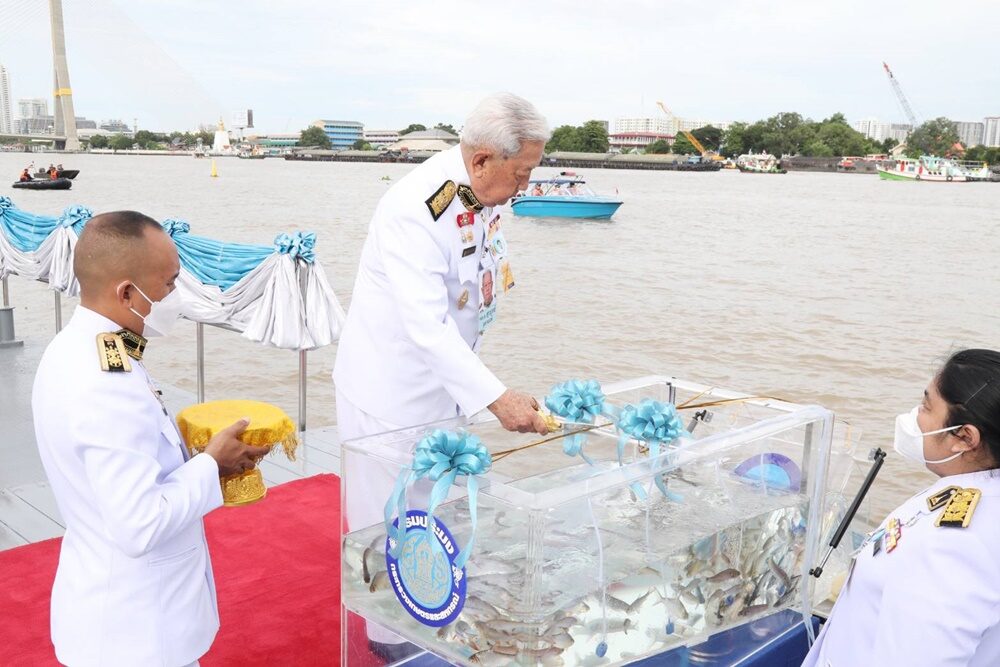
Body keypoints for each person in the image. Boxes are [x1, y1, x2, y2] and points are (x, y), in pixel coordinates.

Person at [333, 92, 550, 661]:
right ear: (482, 159)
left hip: (444, 386)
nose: (526, 185)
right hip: (391, 390)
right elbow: (426, 327)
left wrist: (479, 390)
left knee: (435, 509)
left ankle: (432, 614)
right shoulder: (416, 209)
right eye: (521, 173)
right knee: (388, 517)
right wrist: (497, 398)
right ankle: (389, 640)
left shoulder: (482, 193)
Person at [32, 211, 269, 667]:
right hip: (138, 634)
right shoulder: (106, 383)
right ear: (127, 293)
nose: (176, 296)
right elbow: (140, 524)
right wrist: (213, 464)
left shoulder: (74, 348)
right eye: (169, 283)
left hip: (111, 611)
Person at [803, 348, 1000, 667]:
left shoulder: (954, 547)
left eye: (926, 406)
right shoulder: (974, 496)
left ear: (964, 438)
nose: (915, 415)